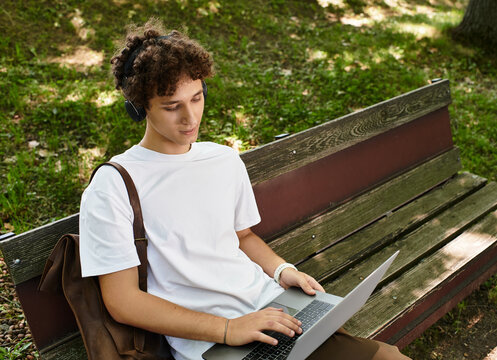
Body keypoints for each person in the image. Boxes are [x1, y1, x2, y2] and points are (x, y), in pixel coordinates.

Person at [79, 18, 411, 360]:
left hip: (274, 310)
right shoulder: (113, 186)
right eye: (171, 106)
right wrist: (228, 329)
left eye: (196, 98)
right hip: (214, 343)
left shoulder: (222, 159)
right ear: (138, 107)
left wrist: (284, 271)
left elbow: (243, 237)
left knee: (389, 357)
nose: (190, 118)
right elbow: (122, 302)